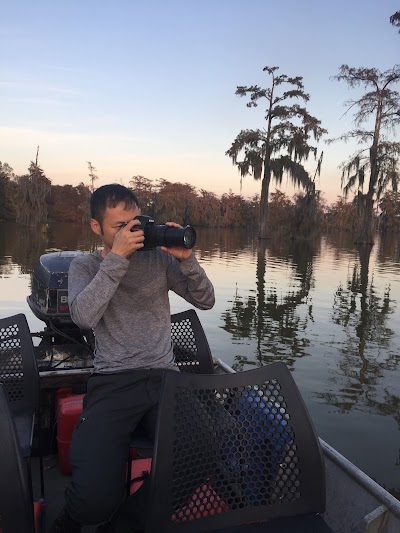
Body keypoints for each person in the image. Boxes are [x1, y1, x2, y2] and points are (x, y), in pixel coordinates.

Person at [50, 184, 215, 532]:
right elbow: (83, 317)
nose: (131, 232)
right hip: (113, 380)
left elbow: (206, 300)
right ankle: (77, 515)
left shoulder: (158, 259)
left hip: (164, 376)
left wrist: (187, 261)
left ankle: (125, 524)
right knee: (94, 498)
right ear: (97, 228)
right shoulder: (85, 265)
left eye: (135, 223)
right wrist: (116, 261)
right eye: (119, 227)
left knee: (201, 455)